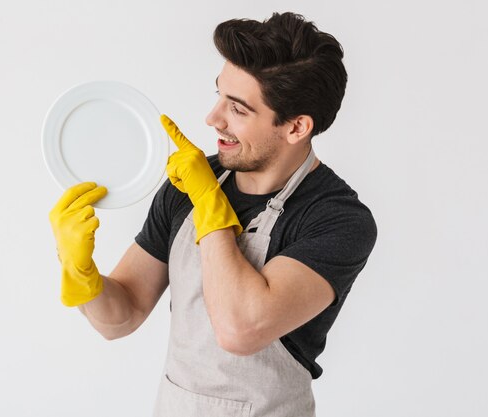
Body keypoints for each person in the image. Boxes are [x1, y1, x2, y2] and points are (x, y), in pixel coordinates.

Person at [49, 11, 377, 417]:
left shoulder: (337, 219)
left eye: (237, 109)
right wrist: (80, 272)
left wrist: (209, 202)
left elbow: (241, 329)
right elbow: (123, 316)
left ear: (296, 127)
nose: (212, 118)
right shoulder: (187, 185)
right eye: (219, 94)